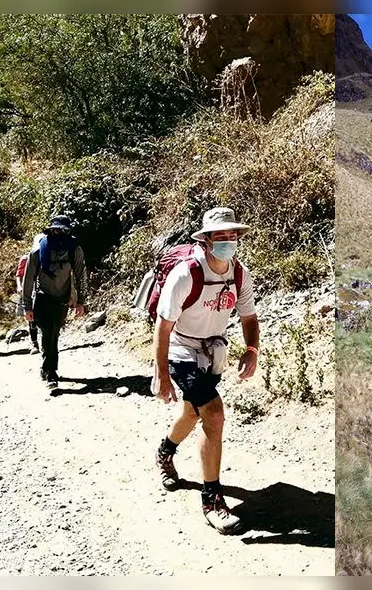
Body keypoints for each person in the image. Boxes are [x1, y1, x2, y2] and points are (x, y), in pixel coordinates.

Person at [151, 207, 260, 535]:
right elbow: (163, 325)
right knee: (213, 414)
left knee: (192, 414)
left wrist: (252, 350)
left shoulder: (239, 273)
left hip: (213, 353)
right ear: (207, 239)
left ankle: (164, 452)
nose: (227, 241)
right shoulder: (186, 274)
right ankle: (212, 500)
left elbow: (249, 318)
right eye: (220, 236)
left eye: (232, 235)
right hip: (182, 352)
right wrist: (161, 374)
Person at [22, 215, 88, 388]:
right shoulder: (37, 251)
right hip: (43, 297)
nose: (56, 233)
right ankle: (51, 371)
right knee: (47, 332)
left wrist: (81, 301)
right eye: (54, 230)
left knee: (55, 333)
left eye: (60, 230)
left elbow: (81, 275)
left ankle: (48, 368)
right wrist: (27, 306)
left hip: (62, 300)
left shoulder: (74, 250)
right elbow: (28, 279)